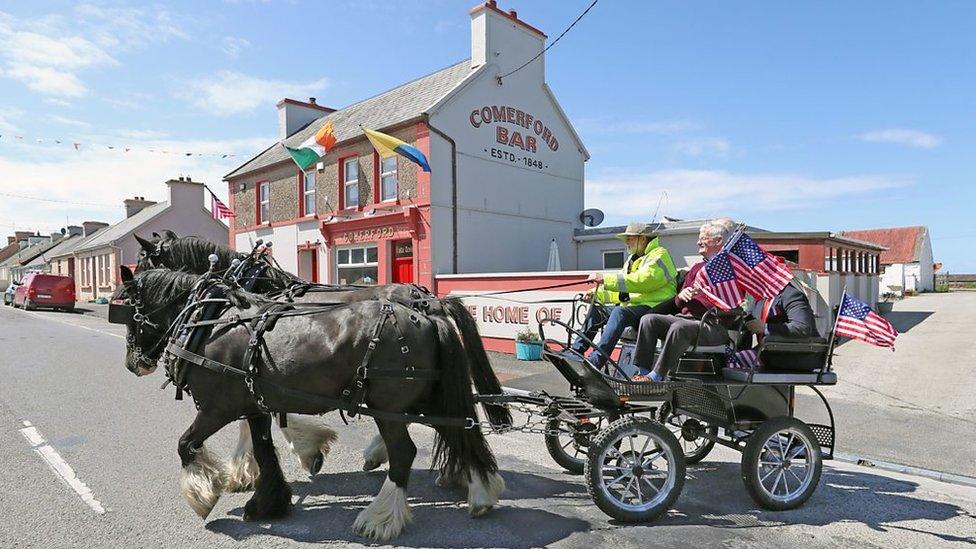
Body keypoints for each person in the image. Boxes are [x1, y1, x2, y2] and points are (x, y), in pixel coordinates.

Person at [631, 218, 737, 381]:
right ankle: (643, 372)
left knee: (679, 327)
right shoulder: (696, 269)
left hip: (713, 326)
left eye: (703, 239)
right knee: (648, 319)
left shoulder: (730, 270)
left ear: (718, 241)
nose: (698, 242)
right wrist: (681, 296)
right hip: (685, 320)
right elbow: (678, 303)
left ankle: (656, 375)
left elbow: (734, 304)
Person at [568, 222, 678, 369]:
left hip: (655, 308)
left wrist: (606, 279)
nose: (626, 242)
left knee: (619, 312)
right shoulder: (631, 261)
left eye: (630, 238)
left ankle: (596, 360)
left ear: (643, 239)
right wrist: (595, 295)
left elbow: (643, 281)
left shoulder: (660, 255)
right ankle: (575, 352)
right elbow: (621, 289)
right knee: (598, 309)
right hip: (634, 308)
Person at [729, 282, 821, 370]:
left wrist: (765, 328)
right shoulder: (762, 297)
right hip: (769, 352)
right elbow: (751, 321)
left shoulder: (792, 295)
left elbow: (802, 328)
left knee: (731, 362)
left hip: (795, 355)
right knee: (725, 357)